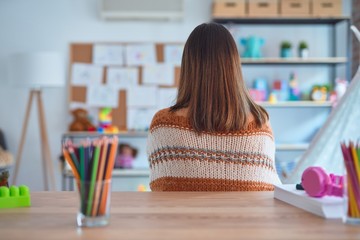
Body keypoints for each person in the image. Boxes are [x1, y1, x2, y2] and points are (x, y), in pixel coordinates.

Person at [147, 23, 281, 191]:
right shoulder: (260, 123)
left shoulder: (163, 125)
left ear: (188, 67)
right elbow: (271, 189)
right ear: (234, 66)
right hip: (246, 217)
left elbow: (158, 190)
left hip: (182, 217)